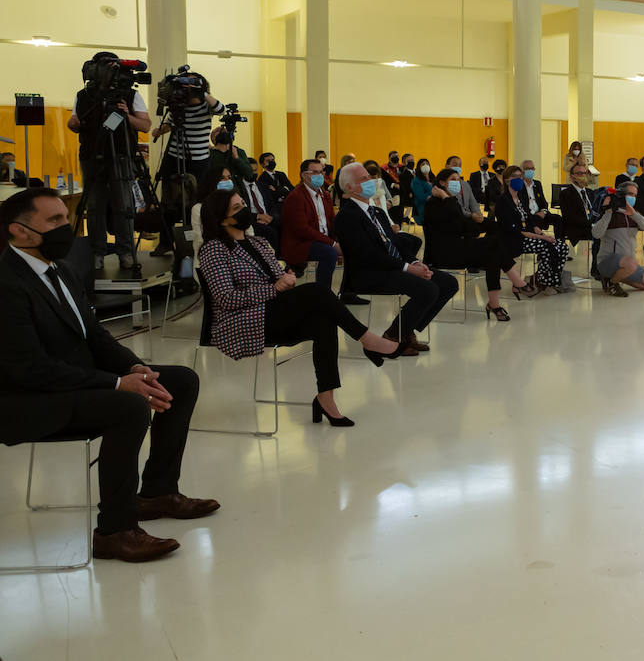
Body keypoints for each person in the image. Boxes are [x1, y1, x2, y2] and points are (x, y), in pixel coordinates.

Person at [0, 188, 218, 563]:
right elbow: (30, 369)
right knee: (129, 406)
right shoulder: (6, 284)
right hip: (27, 400)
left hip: (75, 382)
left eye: (65, 219)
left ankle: (156, 492)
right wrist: (117, 384)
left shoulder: (62, 270)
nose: (65, 229)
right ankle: (115, 531)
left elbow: (96, 337)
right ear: (18, 231)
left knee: (180, 380)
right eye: (54, 221)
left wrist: (135, 368)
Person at [197, 190, 401, 427]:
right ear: (221, 219)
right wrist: (275, 288)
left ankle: (325, 397)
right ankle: (368, 340)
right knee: (316, 291)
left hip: (271, 313)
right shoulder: (213, 249)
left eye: (243, 204)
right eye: (236, 209)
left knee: (323, 321)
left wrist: (286, 278)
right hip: (242, 322)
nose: (244, 210)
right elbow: (225, 298)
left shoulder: (258, 242)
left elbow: (277, 279)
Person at [334, 162, 457, 355]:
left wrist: (416, 262)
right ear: (349, 187)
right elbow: (368, 255)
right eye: (364, 179)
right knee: (428, 289)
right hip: (369, 273)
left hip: (392, 267)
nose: (372, 181)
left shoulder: (377, 212)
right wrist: (408, 268)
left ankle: (406, 331)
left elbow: (396, 244)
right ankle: (393, 335)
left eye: (370, 177)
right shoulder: (346, 216)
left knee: (448, 283)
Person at [68, 53, 152, 271]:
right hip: (91, 155)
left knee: (123, 206)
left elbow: (144, 125)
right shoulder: (84, 94)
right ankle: (97, 253)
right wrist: (74, 122)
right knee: (94, 207)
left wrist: (126, 115)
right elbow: (73, 121)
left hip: (121, 155)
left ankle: (126, 252)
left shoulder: (130, 95)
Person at [424, 167, 529, 319]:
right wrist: (445, 197)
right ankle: (517, 283)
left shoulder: (450, 201)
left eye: (458, 179)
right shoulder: (433, 203)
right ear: (441, 183)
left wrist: (482, 221)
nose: (457, 182)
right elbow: (453, 223)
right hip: (444, 254)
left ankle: (494, 303)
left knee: (493, 252)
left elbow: (464, 226)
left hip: (459, 248)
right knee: (493, 246)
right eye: (452, 179)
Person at [279, 158, 355, 300]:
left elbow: (333, 222)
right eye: (314, 172)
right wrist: (332, 243)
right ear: (304, 175)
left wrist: (343, 237)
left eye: (321, 172)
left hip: (322, 239)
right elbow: (302, 229)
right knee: (330, 253)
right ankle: (322, 296)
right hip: (302, 243)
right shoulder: (296, 196)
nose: (320, 176)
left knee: (351, 246)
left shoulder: (324, 194)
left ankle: (347, 292)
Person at [494, 165, 571, 294]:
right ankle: (545, 282)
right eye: (515, 177)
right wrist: (543, 237)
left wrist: (538, 230)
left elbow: (528, 219)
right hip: (514, 239)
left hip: (527, 234)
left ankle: (549, 280)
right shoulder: (503, 202)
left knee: (562, 247)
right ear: (507, 180)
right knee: (547, 246)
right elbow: (516, 230)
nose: (518, 179)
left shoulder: (521, 198)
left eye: (520, 176)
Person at [592, 181, 644, 297]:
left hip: (627, 263)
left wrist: (633, 214)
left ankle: (614, 280)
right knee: (631, 263)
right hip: (607, 261)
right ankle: (612, 282)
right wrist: (608, 212)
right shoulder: (609, 213)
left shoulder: (633, 214)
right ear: (620, 194)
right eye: (630, 194)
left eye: (635, 195)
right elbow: (596, 234)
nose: (633, 197)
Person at [559, 161, 601, 274]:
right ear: (572, 176)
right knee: (598, 235)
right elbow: (569, 216)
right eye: (579, 173)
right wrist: (591, 224)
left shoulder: (590, 193)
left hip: (592, 225)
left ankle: (606, 266)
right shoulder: (566, 194)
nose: (582, 176)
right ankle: (595, 269)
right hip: (577, 227)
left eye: (584, 173)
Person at [517, 159, 562, 238]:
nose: (530, 171)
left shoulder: (537, 184)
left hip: (541, 213)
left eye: (532, 168)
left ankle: (559, 242)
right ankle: (541, 239)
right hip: (528, 214)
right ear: (522, 171)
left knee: (558, 219)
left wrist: (543, 211)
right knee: (535, 220)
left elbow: (543, 202)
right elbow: (521, 204)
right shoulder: (519, 185)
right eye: (527, 168)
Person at [410, 158, 435, 225]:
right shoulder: (416, 180)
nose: (425, 165)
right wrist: (433, 198)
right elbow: (420, 195)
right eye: (423, 164)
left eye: (427, 164)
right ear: (419, 167)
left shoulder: (433, 178)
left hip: (435, 207)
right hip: (423, 208)